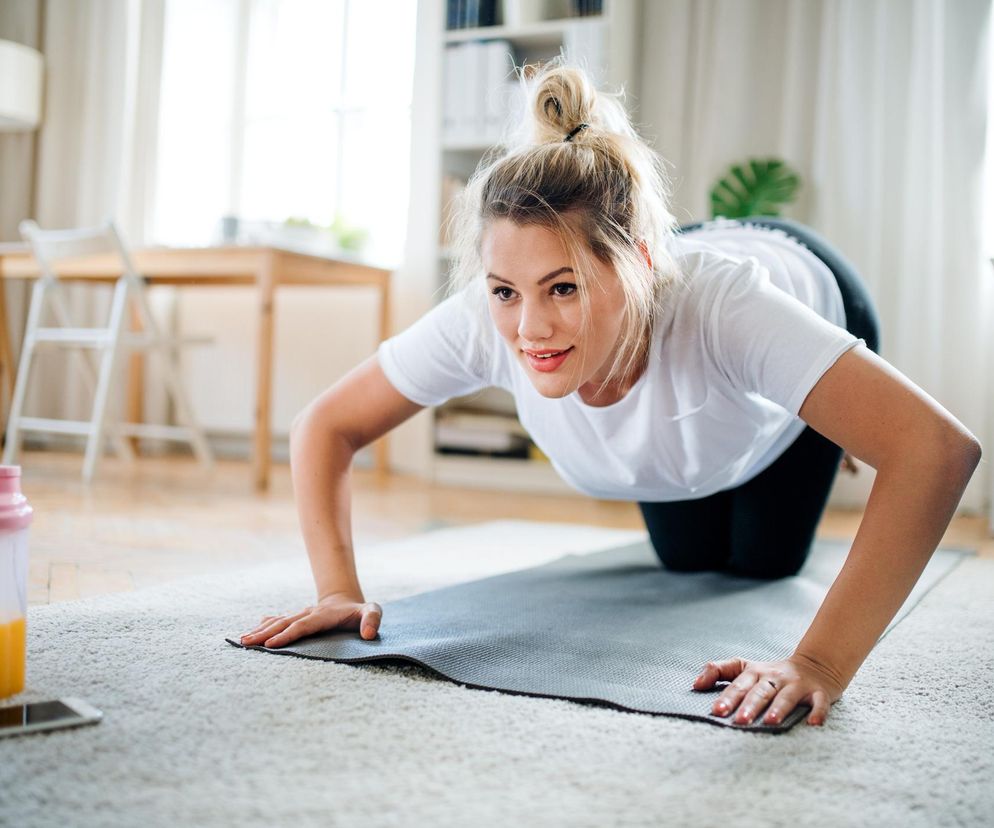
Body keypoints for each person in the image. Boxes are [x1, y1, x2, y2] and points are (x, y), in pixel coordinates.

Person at [240, 61, 981, 727]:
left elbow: (938, 451)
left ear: (641, 265)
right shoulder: (484, 320)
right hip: (663, 312)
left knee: (761, 563)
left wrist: (819, 663)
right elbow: (323, 426)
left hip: (806, 288)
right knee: (688, 560)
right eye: (506, 290)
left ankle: (819, 407)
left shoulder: (724, 309)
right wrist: (337, 589)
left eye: (562, 288)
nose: (530, 328)